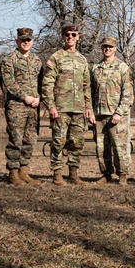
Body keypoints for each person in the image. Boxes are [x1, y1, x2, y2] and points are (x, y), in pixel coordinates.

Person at [41, 24, 95, 185]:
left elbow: (87, 86)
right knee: (58, 141)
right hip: (61, 108)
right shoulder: (56, 57)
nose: (70, 37)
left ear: (78, 37)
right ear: (63, 37)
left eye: (73, 34)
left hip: (78, 108)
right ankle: (57, 174)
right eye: (67, 35)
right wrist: (51, 105)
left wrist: (88, 108)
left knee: (77, 142)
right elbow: (47, 84)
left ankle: (73, 174)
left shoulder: (82, 60)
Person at [0, 28, 42, 185]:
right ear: (17, 41)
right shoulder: (9, 59)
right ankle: (13, 172)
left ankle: (23, 171)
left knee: (30, 139)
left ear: (32, 41)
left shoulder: (37, 61)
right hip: (17, 106)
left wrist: (38, 98)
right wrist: (25, 97)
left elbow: (41, 82)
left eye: (28, 40)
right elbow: (9, 82)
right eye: (23, 40)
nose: (26, 42)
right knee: (15, 139)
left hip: (33, 107)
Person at [90, 36, 133, 185]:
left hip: (116, 115)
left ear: (115, 49)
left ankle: (122, 175)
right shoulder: (96, 68)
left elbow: (127, 93)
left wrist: (119, 112)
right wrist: (91, 111)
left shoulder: (122, 68)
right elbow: (91, 91)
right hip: (99, 114)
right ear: (102, 48)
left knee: (119, 147)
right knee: (101, 147)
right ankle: (106, 174)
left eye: (110, 47)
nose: (107, 49)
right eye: (105, 47)